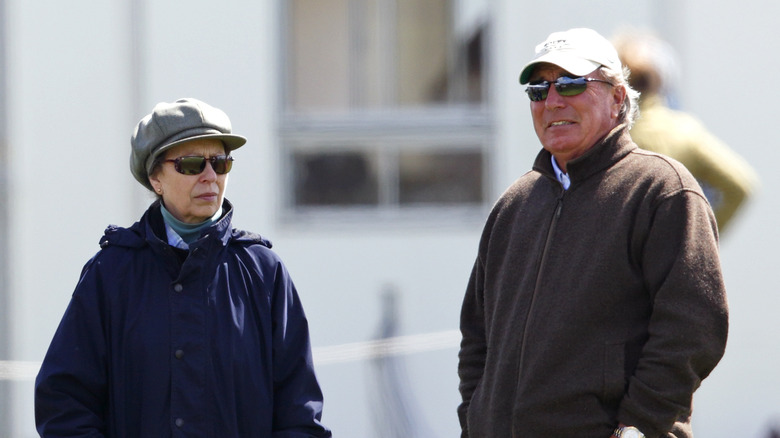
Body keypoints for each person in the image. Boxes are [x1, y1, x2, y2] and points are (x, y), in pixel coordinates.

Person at [457, 28, 728, 438]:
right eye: (538, 89)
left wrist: (641, 423)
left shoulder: (661, 189)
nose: (552, 101)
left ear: (618, 97)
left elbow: (693, 329)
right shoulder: (514, 205)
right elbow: (476, 338)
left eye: (571, 84)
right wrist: (476, 420)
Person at [35, 98, 332, 437]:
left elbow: (300, 414)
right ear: (155, 179)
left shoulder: (263, 271)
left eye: (220, 163)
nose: (210, 177)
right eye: (191, 164)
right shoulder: (111, 273)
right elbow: (64, 406)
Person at [612, 29, 758, 234]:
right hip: (671, 258)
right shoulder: (685, 132)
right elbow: (740, 186)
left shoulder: (605, 132)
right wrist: (697, 238)